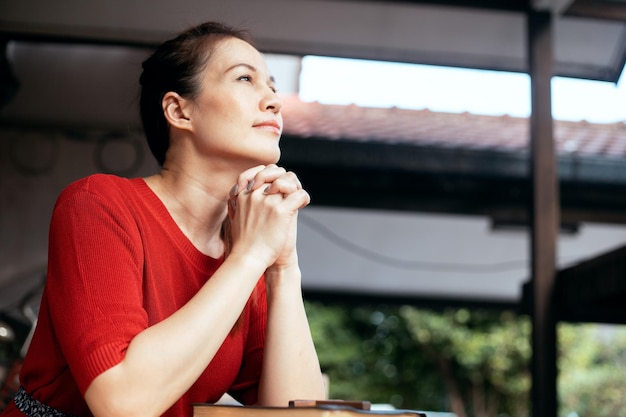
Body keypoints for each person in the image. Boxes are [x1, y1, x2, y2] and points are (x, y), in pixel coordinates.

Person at [1, 21, 326, 417]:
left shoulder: (244, 251)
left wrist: (282, 266)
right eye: (245, 78)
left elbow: (299, 413)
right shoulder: (98, 203)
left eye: (273, 87)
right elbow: (121, 404)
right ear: (178, 110)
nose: (274, 101)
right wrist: (252, 256)